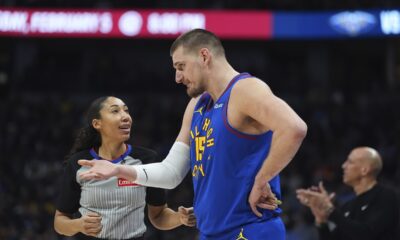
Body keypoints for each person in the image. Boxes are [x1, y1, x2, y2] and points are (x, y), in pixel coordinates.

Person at [79, 29, 307, 240]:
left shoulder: (245, 90)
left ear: (204, 56)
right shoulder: (197, 103)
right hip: (209, 232)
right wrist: (119, 169)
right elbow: (171, 173)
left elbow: (294, 128)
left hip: (249, 228)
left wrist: (262, 179)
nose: (177, 77)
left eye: (181, 66)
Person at [54, 96, 196, 240]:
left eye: (126, 111)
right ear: (97, 124)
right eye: (115, 111)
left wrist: (180, 218)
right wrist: (78, 225)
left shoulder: (147, 159)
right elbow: (59, 222)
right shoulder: (78, 163)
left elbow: (159, 216)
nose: (126, 117)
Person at [296, 147, 399, 240]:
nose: (343, 165)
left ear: (364, 170)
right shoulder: (348, 206)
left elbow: (367, 234)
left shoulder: (387, 196)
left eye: (350, 162)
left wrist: (330, 210)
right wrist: (321, 220)